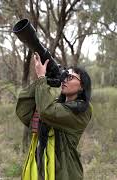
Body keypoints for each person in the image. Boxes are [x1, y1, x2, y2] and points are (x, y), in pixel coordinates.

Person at [16, 52, 93, 180]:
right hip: (43, 168)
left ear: (82, 87)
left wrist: (41, 78)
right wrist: (44, 82)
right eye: (65, 76)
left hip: (65, 173)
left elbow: (47, 112)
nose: (65, 79)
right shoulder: (55, 103)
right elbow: (24, 112)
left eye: (70, 77)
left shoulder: (82, 110)